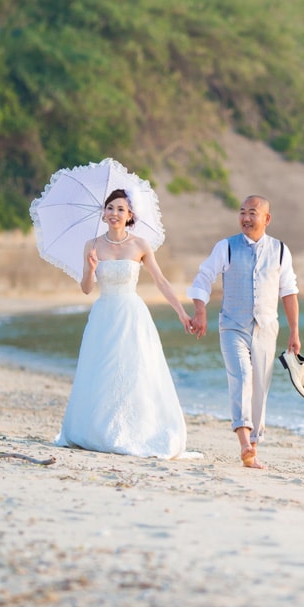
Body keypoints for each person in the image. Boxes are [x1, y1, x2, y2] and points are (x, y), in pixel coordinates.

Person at [56, 189, 194, 459]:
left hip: (132, 314)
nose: (114, 213)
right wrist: (92, 267)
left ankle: (138, 430)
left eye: (121, 209)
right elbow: (86, 288)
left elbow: (161, 281)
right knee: (102, 370)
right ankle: (98, 429)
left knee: (136, 370)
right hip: (103, 314)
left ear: (130, 215)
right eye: (110, 208)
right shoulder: (92, 245)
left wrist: (181, 312)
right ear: (103, 213)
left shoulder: (140, 245)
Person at [187, 195, 301, 469]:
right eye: (242, 212)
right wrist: (200, 310)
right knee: (242, 376)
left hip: (266, 327)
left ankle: (254, 450)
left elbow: (289, 291)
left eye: (252, 213)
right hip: (232, 326)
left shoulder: (281, 250)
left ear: (266, 219)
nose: (246, 218)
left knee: (260, 385)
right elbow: (203, 277)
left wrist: (294, 331)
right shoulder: (225, 247)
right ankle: (243, 443)